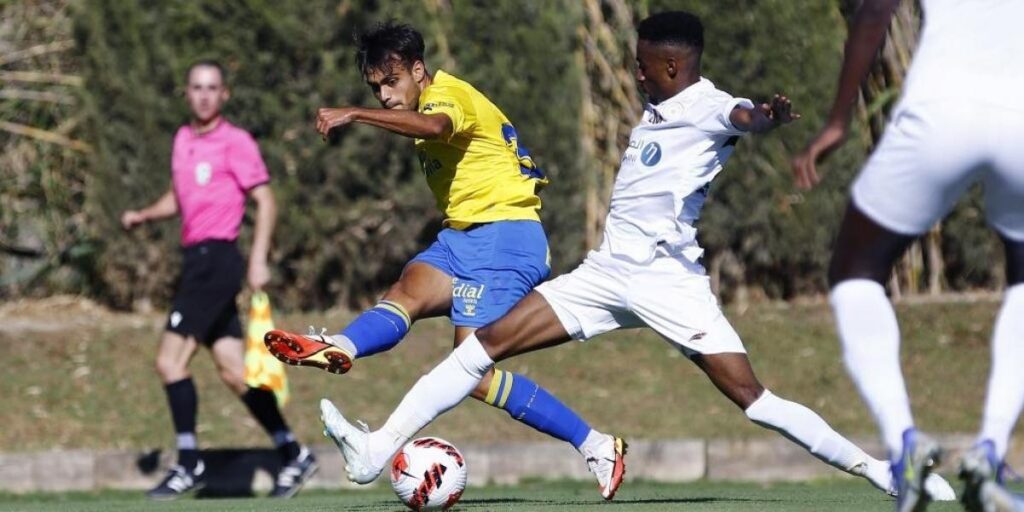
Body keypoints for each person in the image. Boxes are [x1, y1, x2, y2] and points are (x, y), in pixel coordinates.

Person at [307, 11, 954, 502]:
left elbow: (740, 115)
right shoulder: (656, 108)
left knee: (754, 400)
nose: (636, 73)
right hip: (606, 273)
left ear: (671, 67)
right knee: (476, 353)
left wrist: (764, 117)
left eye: (643, 66)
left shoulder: (704, 105)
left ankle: (883, 472)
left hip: (670, 283)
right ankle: (375, 452)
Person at [262, 22, 625, 498]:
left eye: (392, 83)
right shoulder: (421, 106)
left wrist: (355, 112)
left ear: (419, 71)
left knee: (471, 373)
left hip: (505, 238)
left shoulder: (447, 96)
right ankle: (342, 347)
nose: (386, 95)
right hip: (463, 237)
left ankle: (596, 445)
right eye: (375, 88)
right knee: (406, 291)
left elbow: (437, 126)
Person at [792, 0, 1024, 510]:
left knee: (855, 272)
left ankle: (904, 445)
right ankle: (991, 450)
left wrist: (837, 121)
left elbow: (873, 13)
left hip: (940, 110)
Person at [121, 60, 316, 500]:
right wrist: (145, 215)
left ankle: (188, 463)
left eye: (213, 88)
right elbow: (181, 194)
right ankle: (293, 453)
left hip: (217, 261)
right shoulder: (183, 140)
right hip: (195, 260)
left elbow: (265, 201)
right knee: (233, 371)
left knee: (169, 363)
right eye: (197, 87)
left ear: (224, 95)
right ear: (186, 94)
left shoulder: (237, 142)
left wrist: (259, 258)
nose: (205, 95)